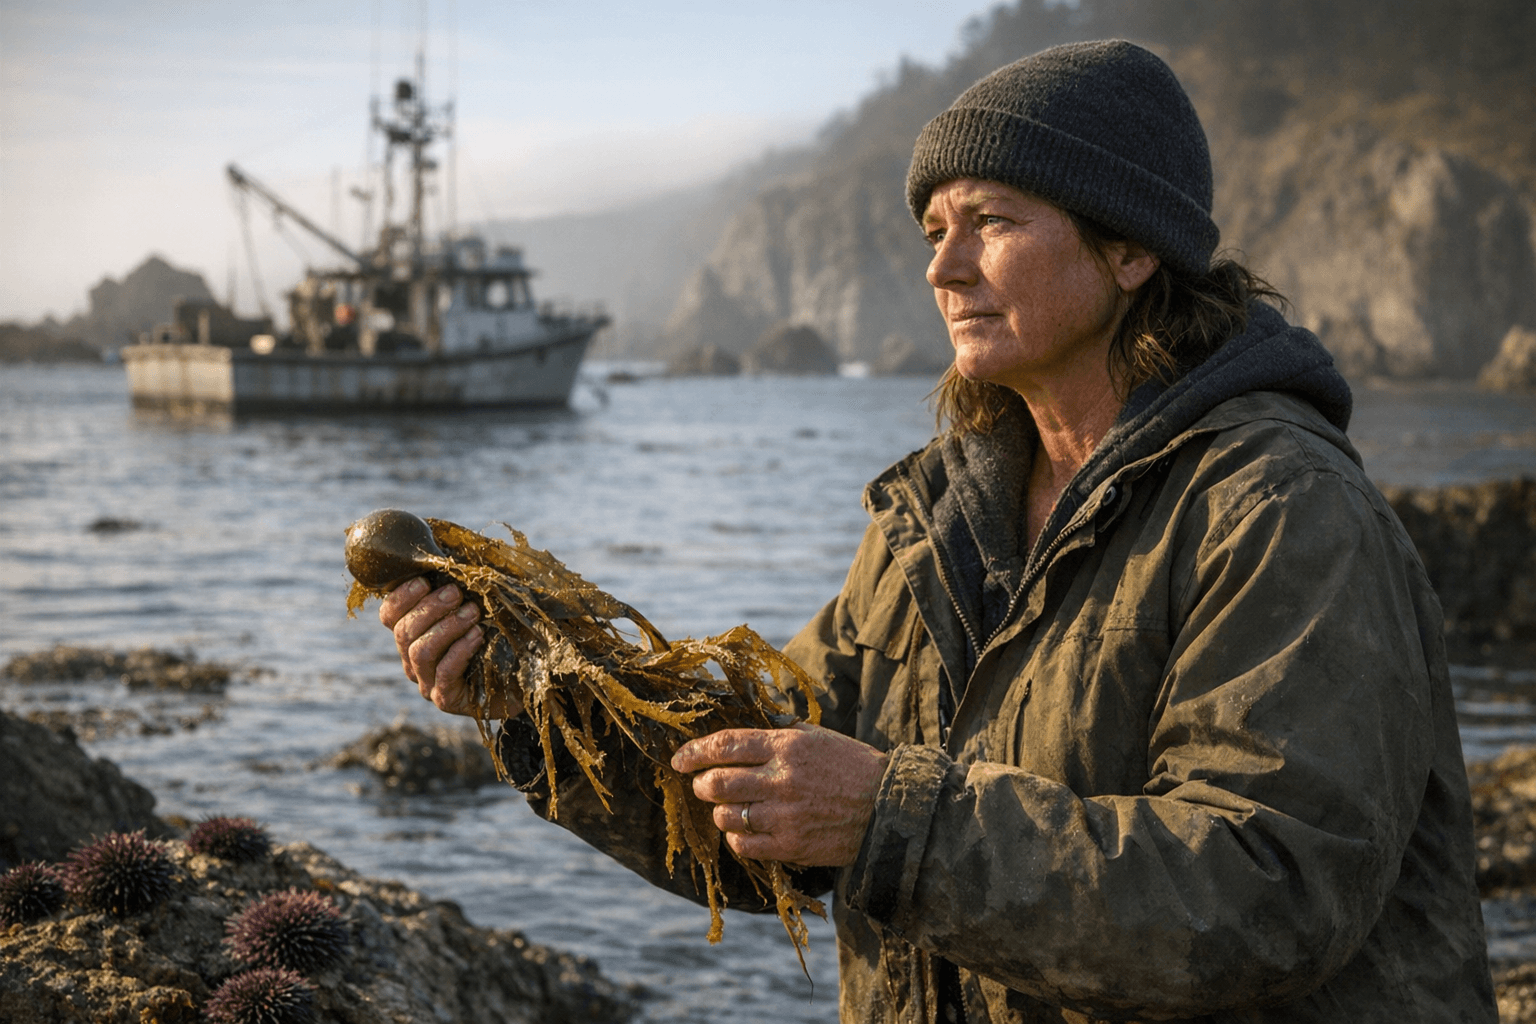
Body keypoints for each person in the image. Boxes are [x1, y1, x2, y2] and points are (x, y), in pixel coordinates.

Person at [379, 39, 1497, 1023]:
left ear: (1130, 250)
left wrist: (888, 820)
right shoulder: (935, 527)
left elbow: (1271, 889)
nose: (943, 266)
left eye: (993, 222)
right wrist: (532, 698)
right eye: (933, 229)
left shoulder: (1277, 510)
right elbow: (767, 794)